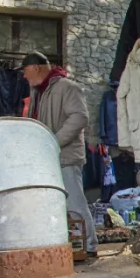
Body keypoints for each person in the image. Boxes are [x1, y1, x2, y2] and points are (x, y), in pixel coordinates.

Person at [23, 50, 98, 255]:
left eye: (25, 71)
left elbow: (79, 117)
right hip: (46, 157)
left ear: (35, 68)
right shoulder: (38, 91)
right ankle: (67, 247)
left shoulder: (67, 87)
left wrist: (53, 142)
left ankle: (88, 246)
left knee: (74, 202)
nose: (23, 75)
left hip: (64, 155)